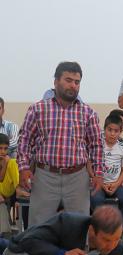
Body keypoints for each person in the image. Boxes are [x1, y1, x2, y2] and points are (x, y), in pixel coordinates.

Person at [18, 61, 103, 227]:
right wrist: (24, 168)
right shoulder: (37, 109)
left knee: (78, 228)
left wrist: (99, 174)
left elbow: (96, 145)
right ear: (56, 81)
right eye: (68, 80)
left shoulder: (88, 113)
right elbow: (25, 139)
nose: (73, 85)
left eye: (77, 82)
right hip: (45, 176)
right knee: (39, 227)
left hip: (77, 178)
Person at [90, 114, 123, 223]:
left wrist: (116, 184)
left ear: (120, 131)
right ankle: (102, 228)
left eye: (116, 131)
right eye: (109, 130)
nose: (112, 134)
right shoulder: (96, 146)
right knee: (96, 200)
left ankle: (118, 229)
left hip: (116, 185)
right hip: (98, 184)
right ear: (104, 129)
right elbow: (89, 165)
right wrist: (98, 181)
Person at [0, 134, 19, 234]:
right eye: (0, 148)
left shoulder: (10, 161)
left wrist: (6, 163)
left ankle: (19, 189)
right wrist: (4, 165)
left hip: (7, 191)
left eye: (5, 148)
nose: (3, 151)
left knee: (13, 162)